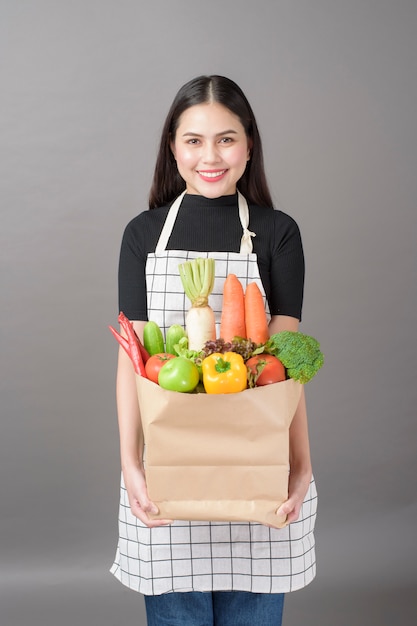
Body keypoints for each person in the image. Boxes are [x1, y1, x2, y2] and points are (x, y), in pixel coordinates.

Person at [110, 75, 317, 626]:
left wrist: (301, 464)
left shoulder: (278, 234)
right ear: (172, 149)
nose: (210, 156)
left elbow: (283, 369)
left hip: (257, 468)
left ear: (249, 146)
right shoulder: (142, 235)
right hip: (170, 470)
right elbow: (131, 360)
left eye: (226, 139)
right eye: (193, 140)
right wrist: (130, 464)